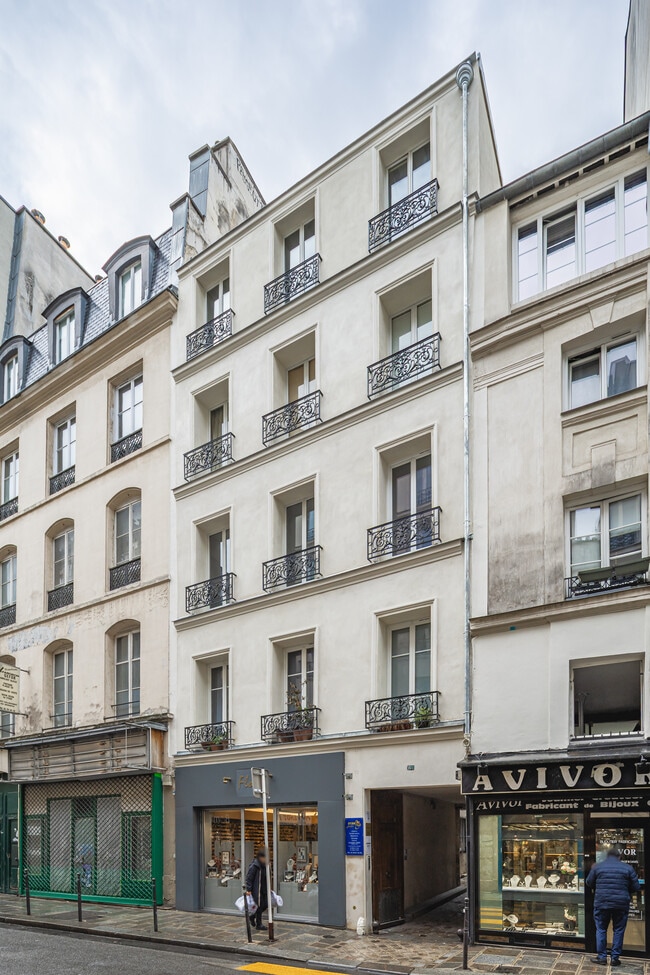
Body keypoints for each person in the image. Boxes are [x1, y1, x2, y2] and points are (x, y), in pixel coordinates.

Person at [586, 845, 641, 965]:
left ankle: (602, 957)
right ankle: (615, 958)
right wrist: (625, 890)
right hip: (621, 904)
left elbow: (589, 883)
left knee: (601, 929)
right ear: (619, 856)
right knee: (619, 930)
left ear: (607, 856)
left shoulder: (598, 867)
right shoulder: (628, 868)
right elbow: (636, 887)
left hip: (602, 903)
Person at [246, 846, 269, 932]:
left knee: (265, 905)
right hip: (256, 890)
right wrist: (249, 889)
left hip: (263, 889)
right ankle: (259, 924)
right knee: (259, 907)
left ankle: (252, 916)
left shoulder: (264, 866)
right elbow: (249, 878)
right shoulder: (254, 866)